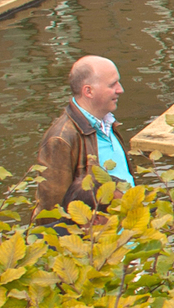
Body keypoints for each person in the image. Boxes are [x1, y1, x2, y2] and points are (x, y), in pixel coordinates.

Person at [35, 55, 133, 214]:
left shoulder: (108, 124)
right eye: (112, 84)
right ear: (88, 91)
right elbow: (51, 209)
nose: (120, 89)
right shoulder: (60, 139)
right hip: (99, 235)